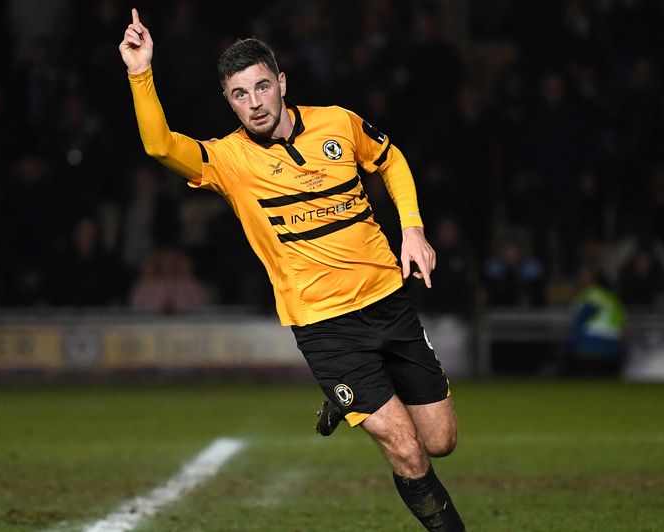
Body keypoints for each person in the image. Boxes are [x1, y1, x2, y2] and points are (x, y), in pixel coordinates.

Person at [119, 9, 464, 531]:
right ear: (228, 101)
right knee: (409, 451)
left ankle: (344, 398)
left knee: (442, 442)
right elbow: (160, 144)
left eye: (261, 87)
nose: (254, 103)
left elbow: (390, 160)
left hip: (388, 302)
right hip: (325, 326)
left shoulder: (337, 122)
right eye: (239, 94)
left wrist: (411, 229)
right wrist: (140, 73)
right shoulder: (228, 160)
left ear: (281, 83)